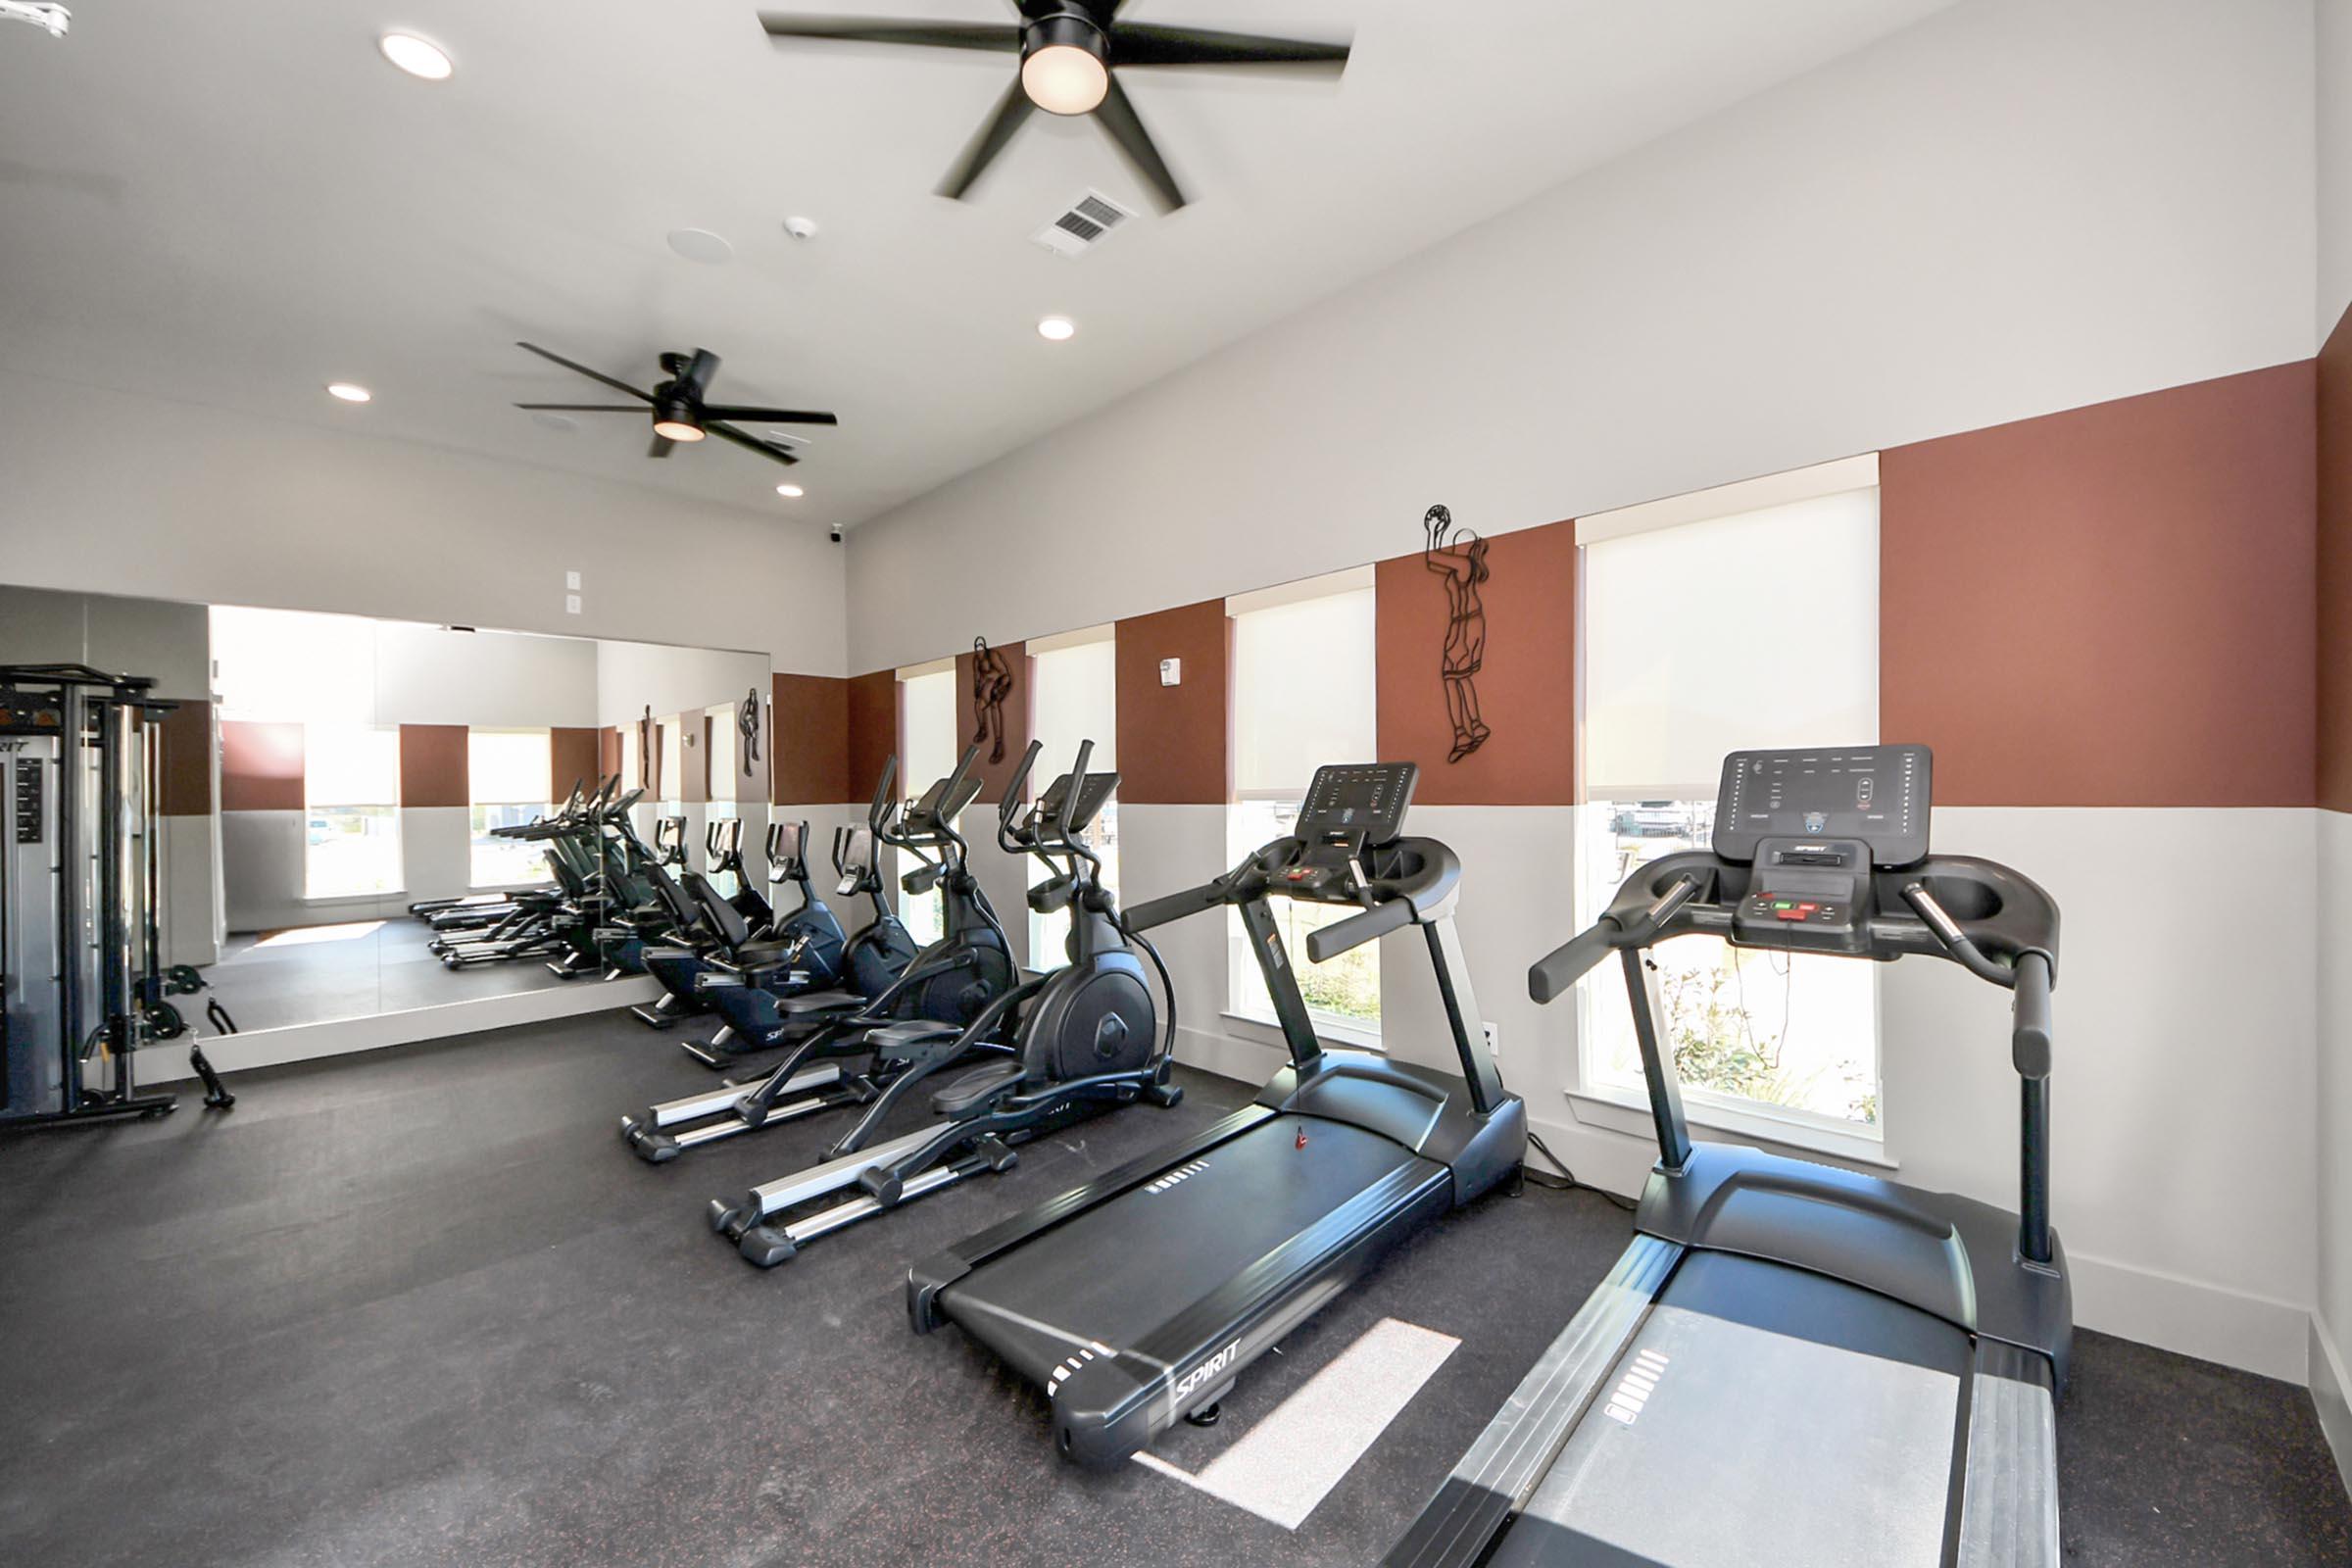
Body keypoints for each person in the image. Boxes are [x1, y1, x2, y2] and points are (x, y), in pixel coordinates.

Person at [1423, 504, 1492, 762]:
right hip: (1461, 624)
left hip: (1466, 623)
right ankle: (1473, 727)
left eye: (1457, 543)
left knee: (1454, 678)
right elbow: (1436, 561)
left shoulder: (1464, 564)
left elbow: (1432, 557)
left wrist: (1433, 529)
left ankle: (1465, 732)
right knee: (1458, 678)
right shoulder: (1459, 567)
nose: (1454, 547)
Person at [970, 637, 1012, 764]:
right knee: (979, 704)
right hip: (989, 683)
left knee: (994, 705)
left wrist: (999, 688)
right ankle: (983, 728)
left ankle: (998, 743)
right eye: (977, 648)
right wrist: (977, 689)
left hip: (1001, 682)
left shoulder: (993, 656)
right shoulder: (977, 660)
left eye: (981, 647)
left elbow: (1005, 674)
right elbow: (977, 677)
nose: (979, 651)